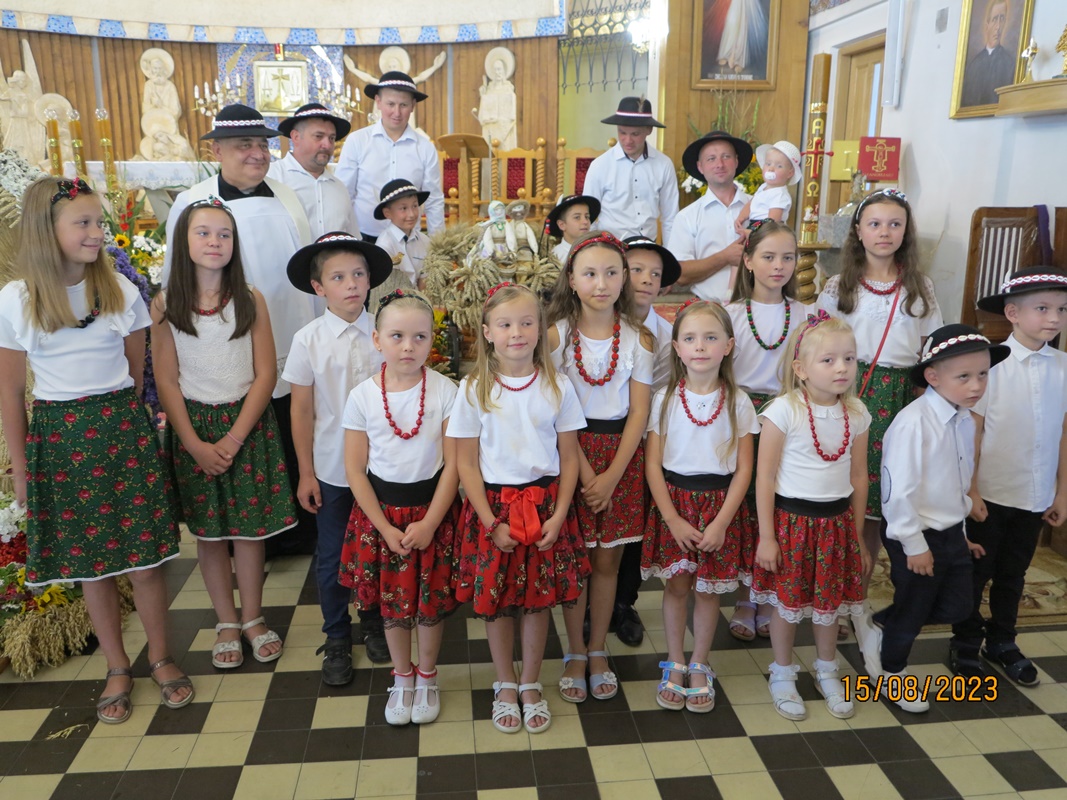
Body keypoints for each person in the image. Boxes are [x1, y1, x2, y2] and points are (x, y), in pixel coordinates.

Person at [0, 177, 192, 724]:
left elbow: (135, 373)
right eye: (82, 223)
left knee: (146, 562)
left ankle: (161, 657)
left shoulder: (119, 292)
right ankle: (116, 666)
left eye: (97, 222)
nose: (96, 233)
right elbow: (10, 392)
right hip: (61, 440)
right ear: (47, 230)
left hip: (121, 430)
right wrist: (21, 468)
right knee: (94, 565)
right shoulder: (16, 300)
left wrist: (120, 421)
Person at [163, 105, 315, 557]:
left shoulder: (287, 197)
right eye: (244, 145)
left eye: (263, 145)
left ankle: (292, 533)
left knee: (285, 431)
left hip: (288, 332)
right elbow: (176, 278)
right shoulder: (193, 202)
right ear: (217, 151)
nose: (257, 153)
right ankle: (235, 536)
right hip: (220, 350)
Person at [152, 197, 296, 669]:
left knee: (250, 532)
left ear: (234, 244)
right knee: (210, 534)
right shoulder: (165, 304)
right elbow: (167, 381)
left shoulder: (249, 299)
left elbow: (266, 373)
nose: (214, 241)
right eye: (203, 232)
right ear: (184, 240)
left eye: (224, 234)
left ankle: (253, 617)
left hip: (246, 426)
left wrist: (234, 438)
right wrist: (193, 444)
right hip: (194, 427)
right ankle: (226, 622)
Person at [448, 282, 589, 734]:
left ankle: (530, 681)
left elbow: (569, 457)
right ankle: (504, 682)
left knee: (536, 601)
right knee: (497, 601)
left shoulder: (557, 386)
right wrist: (490, 522)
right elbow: (466, 463)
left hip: (545, 505)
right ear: (487, 331)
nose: (517, 333)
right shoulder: (474, 388)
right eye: (506, 324)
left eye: (527, 323)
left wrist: (560, 513)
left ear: (541, 329)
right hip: (494, 507)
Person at [862, 324, 1009, 712]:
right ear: (933, 376)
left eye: (982, 374)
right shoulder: (914, 423)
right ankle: (891, 671)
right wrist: (914, 545)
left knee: (959, 606)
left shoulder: (963, 419)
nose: (976, 385)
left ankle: (883, 621)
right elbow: (897, 492)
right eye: (964, 376)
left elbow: (955, 479)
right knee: (914, 609)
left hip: (949, 531)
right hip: (916, 531)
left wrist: (962, 531)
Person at [817, 188, 942, 632]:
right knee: (848, 501)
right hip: (851, 395)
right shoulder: (840, 286)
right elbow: (819, 341)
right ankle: (834, 595)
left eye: (894, 224)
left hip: (902, 399)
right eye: (874, 223)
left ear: (906, 231)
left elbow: (932, 348)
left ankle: (859, 598)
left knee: (881, 506)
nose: (884, 232)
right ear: (858, 230)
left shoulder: (920, 287)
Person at [338, 289, 462, 725]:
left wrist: (430, 522)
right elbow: (355, 470)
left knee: (429, 603)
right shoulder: (362, 397)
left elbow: (454, 466)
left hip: (432, 514)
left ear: (432, 341)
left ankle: (427, 675)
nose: (408, 346)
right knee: (392, 605)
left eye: (419, 337)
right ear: (377, 340)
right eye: (397, 336)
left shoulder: (446, 391)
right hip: (382, 517)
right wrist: (384, 527)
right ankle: (402, 676)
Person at [281, 232, 394, 680]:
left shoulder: (386, 332)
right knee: (331, 555)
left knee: (379, 547)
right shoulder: (308, 340)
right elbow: (302, 410)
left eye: (358, 274)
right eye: (338, 277)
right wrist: (306, 473)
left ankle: (374, 621)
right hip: (332, 469)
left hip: (384, 466)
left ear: (370, 280)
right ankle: (336, 634)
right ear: (318, 287)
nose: (351, 284)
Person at [547, 232, 654, 703]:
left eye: (612, 272)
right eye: (589, 273)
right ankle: (574, 651)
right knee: (577, 559)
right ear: (571, 279)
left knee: (607, 561)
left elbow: (639, 412)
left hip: (621, 458)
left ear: (624, 278)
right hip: (570, 451)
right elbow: (555, 408)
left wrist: (611, 476)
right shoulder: (555, 336)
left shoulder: (638, 338)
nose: (601, 283)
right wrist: (587, 473)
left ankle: (596, 650)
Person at [949, 270, 1067, 685]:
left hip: (1035, 495)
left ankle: (1002, 640)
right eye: (1043, 308)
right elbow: (974, 432)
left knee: (1014, 574)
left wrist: (1061, 491)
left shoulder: (1063, 367)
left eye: (1062, 309)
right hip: (991, 493)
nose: (1054, 318)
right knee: (976, 572)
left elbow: (1063, 431)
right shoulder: (991, 367)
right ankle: (965, 641)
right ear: (1013, 313)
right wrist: (971, 490)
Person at [751, 312, 870, 721]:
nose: (842, 368)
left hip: (836, 525)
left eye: (849, 359)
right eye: (829, 360)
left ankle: (827, 668)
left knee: (829, 604)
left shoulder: (857, 413)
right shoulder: (783, 411)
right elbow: (764, 478)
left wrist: (856, 536)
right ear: (801, 369)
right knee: (787, 605)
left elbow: (859, 477)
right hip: (792, 525)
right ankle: (782, 672)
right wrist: (767, 537)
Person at [643, 300, 757, 713]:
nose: (701, 346)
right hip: (676, 503)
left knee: (708, 593)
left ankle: (699, 663)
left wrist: (722, 522)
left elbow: (744, 470)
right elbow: (652, 465)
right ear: (677, 347)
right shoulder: (663, 399)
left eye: (711, 337)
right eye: (690, 338)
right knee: (677, 587)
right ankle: (675, 660)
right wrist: (671, 518)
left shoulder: (739, 402)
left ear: (728, 345)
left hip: (720, 506)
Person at [725, 220, 813, 642]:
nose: (779, 266)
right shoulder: (731, 314)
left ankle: (773, 593)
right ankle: (747, 596)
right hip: (742, 415)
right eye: (768, 257)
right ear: (748, 261)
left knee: (780, 505)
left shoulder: (806, 315)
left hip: (788, 416)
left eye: (787, 257)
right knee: (747, 507)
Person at [608, 234, 680, 647]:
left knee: (635, 521)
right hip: (595, 436)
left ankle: (624, 601)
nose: (647, 279)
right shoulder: (596, 321)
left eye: (655, 273)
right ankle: (588, 604)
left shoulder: (665, 334)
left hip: (643, 437)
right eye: (636, 269)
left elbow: (662, 392)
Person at [335, 71, 444, 241]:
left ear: (413, 105)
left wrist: (439, 246)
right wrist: (341, 237)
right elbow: (343, 194)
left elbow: (434, 201)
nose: (397, 112)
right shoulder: (357, 141)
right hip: (364, 237)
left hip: (409, 240)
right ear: (378, 102)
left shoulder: (425, 148)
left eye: (403, 105)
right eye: (391, 104)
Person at [668, 131, 753, 303]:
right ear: (700, 167)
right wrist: (725, 257)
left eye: (726, 156)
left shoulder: (759, 207)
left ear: (736, 161)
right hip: (707, 309)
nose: (719, 164)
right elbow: (681, 275)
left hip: (755, 307)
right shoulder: (687, 216)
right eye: (711, 159)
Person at [583, 97, 678, 243]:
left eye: (635, 134)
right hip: (610, 246)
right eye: (622, 133)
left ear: (649, 130)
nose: (628, 140)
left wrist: (671, 253)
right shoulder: (600, 166)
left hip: (648, 247)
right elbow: (588, 216)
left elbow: (670, 217)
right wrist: (595, 248)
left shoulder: (664, 165)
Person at [270, 103, 361, 240]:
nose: (327, 145)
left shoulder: (339, 188)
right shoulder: (272, 179)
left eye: (331, 138)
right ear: (296, 137)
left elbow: (352, 238)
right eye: (318, 136)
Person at [373, 178, 430, 290]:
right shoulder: (384, 246)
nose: (411, 214)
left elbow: (425, 281)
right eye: (403, 208)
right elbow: (388, 287)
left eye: (415, 206)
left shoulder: (425, 241)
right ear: (387, 213)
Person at [734, 141, 801, 234]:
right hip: (755, 226)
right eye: (768, 164)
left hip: (768, 230)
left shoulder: (780, 195)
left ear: (790, 173)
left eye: (779, 166)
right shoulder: (763, 187)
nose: (771, 169)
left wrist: (752, 232)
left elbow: (772, 221)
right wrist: (740, 218)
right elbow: (751, 204)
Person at [961, 0, 1015, 107]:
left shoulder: (1010, 64)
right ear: (987, 25)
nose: (998, 27)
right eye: (994, 19)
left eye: (1002, 19)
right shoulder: (973, 65)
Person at [546, 194, 601, 265]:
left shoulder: (597, 251)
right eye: (577, 217)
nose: (585, 222)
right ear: (562, 225)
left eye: (587, 217)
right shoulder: (556, 258)